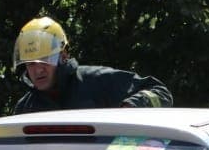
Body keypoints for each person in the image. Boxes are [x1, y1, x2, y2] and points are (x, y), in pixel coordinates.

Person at [12, 16, 173, 113]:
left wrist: (131, 107)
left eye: (45, 60)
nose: (38, 70)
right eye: (30, 63)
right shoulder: (25, 108)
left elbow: (160, 92)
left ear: (63, 55)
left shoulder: (96, 81)